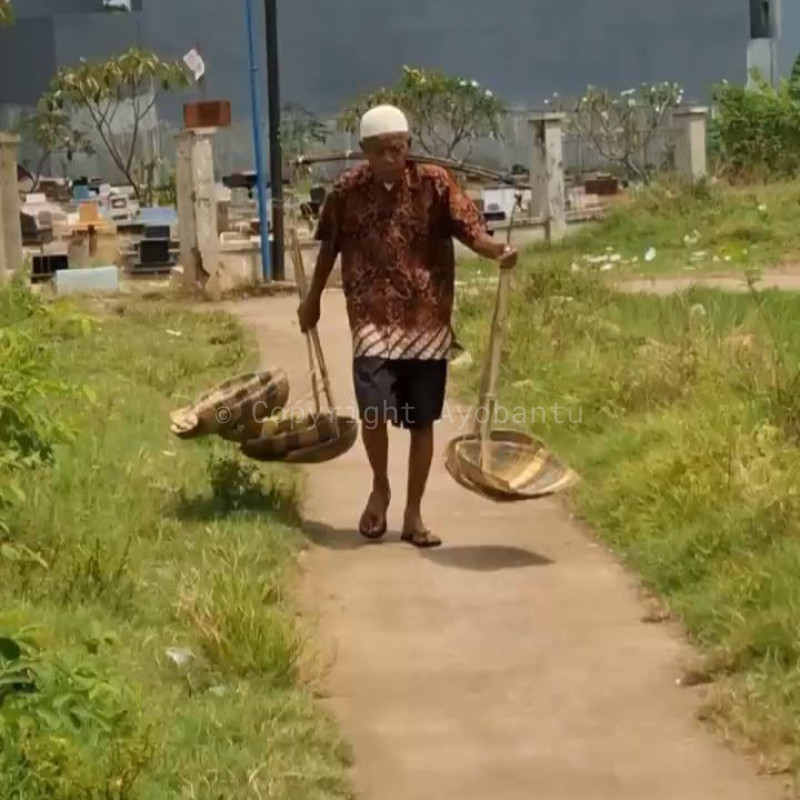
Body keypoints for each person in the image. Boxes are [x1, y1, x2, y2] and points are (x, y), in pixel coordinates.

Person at [298, 105, 517, 549]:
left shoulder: (435, 184)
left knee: (421, 420)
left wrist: (497, 251)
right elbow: (329, 248)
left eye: (398, 149)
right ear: (364, 152)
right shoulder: (347, 192)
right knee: (373, 409)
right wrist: (313, 298)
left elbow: (471, 231)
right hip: (371, 315)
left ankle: (413, 512)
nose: (390, 159)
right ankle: (380, 486)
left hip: (426, 318)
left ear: (408, 147)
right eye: (380, 151)